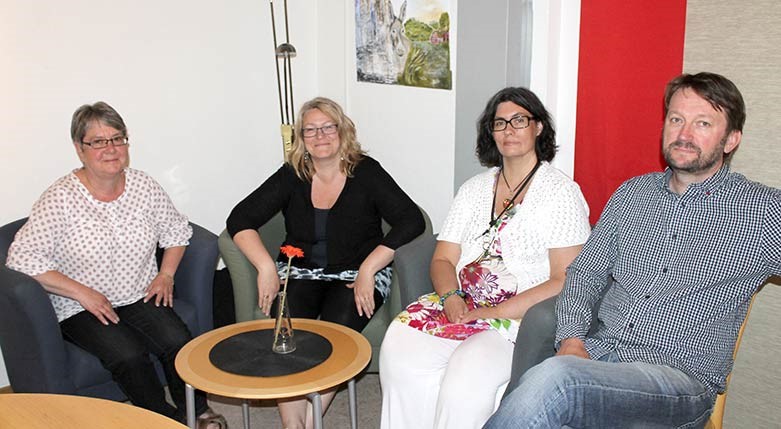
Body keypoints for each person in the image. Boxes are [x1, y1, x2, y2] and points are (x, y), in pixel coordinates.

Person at [485, 72, 781, 428]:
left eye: (702, 123)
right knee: (547, 386)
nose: (684, 134)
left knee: (555, 382)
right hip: (599, 358)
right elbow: (585, 273)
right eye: (676, 119)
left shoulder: (761, 210)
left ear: (731, 139)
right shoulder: (632, 195)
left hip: (678, 379)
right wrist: (571, 340)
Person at [379, 87, 591, 429]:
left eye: (519, 120)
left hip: (516, 319)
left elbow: (564, 278)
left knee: (465, 378)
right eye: (500, 123)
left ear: (538, 127)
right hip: (461, 304)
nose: (509, 130)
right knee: (400, 348)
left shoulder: (561, 193)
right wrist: (451, 297)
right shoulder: (473, 189)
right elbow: (443, 259)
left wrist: (494, 312)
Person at [5, 102, 226, 428]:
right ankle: (162, 420)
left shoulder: (143, 186)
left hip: (137, 292)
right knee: (128, 355)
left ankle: (198, 412)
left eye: (117, 139)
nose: (110, 149)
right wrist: (82, 293)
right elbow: (21, 257)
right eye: (98, 141)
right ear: (80, 148)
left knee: (177, 340)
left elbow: (177, 231)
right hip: (79, 305)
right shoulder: (60, 198)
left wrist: (166, 274)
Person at [226, 96, 425, 429]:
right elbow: (240, 218)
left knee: (337, 335)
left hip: (357, 272)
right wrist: (265, 267)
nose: (320, 136)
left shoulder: (366, 172)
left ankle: (310, 420)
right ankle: (294, 426)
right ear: (301, 138)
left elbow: (411, 220)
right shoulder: (293, 174)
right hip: (298, 271)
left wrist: (370, 268)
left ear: (342, 130)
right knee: (289, 333)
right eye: (310, 130)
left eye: (328, 127)